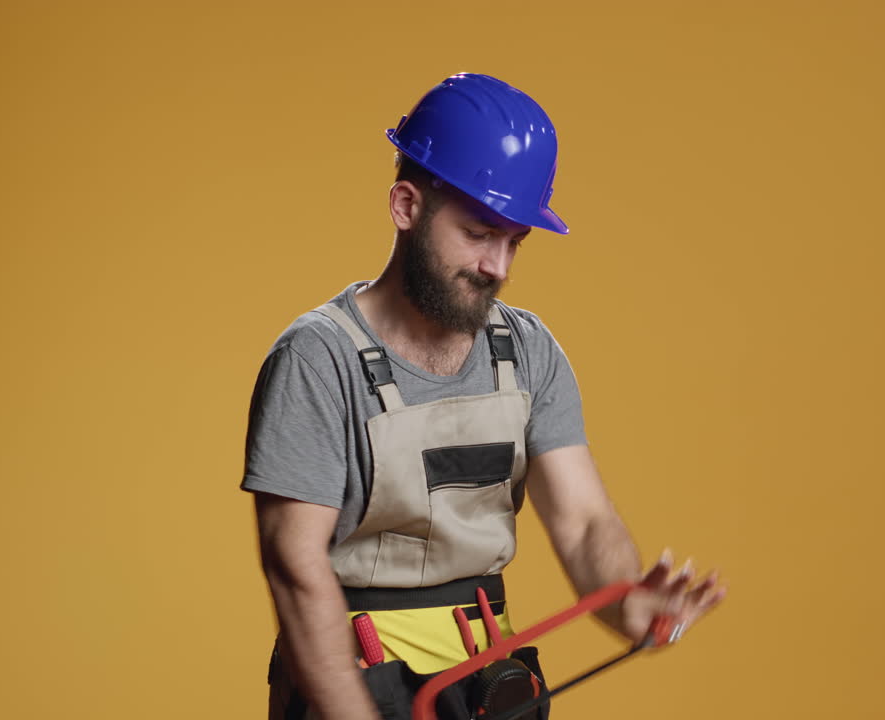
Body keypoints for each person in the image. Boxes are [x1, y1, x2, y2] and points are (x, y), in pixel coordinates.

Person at [241, 73, 725, 720]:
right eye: (478, 233)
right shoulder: (319, 359)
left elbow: (583, 523)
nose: (499, 266)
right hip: (356, 682)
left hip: (486, 683)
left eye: (514, 241)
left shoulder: (527, 349)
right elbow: (297, 573)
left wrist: (622, 603)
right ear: (406, 207)